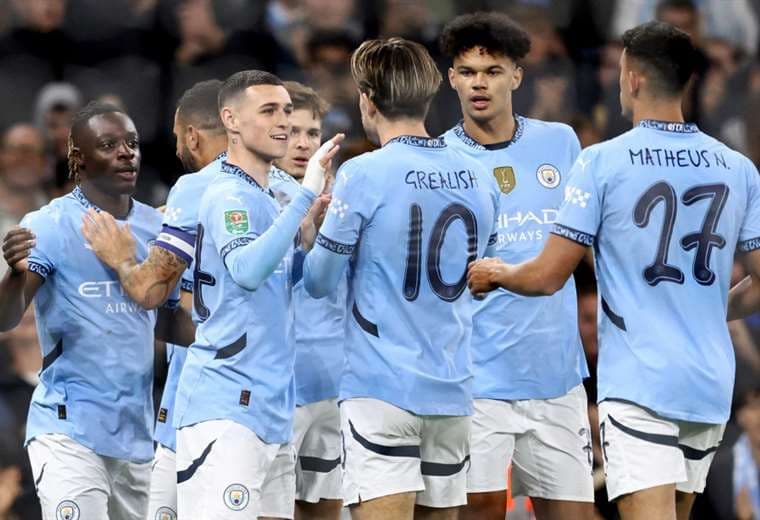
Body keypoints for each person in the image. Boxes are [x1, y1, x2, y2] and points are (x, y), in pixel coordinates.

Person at [467, 21, 760, 520]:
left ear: (633, 79)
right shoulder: (737, 167)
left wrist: (495, 273)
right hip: (709, 383)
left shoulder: (602, 162)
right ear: (687, 80)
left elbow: (546, 277)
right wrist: (715, 309)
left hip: (640, 384)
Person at [303, 38, 500, 520]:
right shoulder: (479, 176)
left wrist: (311, 229)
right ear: (430, 98)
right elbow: (484, 277)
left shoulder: (363, 173)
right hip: (453, 387)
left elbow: (319, 282)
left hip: (381, 389)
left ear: (367, 100)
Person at [0, 102, 189, 520]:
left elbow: (173, 325)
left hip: (136, 434)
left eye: (133, 143)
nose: (127, 153)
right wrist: (14, 276)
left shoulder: (158, 229)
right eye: (109, 144)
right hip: (67, 428)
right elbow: (6, 319)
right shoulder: (49, 224)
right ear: (79, 159)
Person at [439, 12, 593, 520]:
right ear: (451, 79)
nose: (479, 83)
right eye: (467, 72)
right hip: (477, 380)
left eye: (492, 70)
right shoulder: (439, 160)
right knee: (480, 511)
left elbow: (587, 242)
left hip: (557, 377)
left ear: (516, 76)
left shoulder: (561, 142)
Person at [171, 69, 341, 519]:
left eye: (287, 110)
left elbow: (315, 283)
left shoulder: (266, 198)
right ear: (230, 119)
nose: (283, 122)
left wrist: (326, 235)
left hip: (271, 405)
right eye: (269, 111)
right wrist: (304, 199)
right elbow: (246, 271)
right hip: (226, 404)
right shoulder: (226, 192)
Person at [80, 79, 227, 520]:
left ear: (193, 135)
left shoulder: (195, 188)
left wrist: (122, 258)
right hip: (263, 395)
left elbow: (148, 291)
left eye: (179, 137)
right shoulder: (285, 191)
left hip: (213, 397)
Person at [268, 81, 345, 520]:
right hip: (281, 384)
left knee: (324, 510)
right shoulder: (256, 196)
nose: (302, 144)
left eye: (311, 133)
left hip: (333, 380)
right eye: (290, 132)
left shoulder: (346, 195)